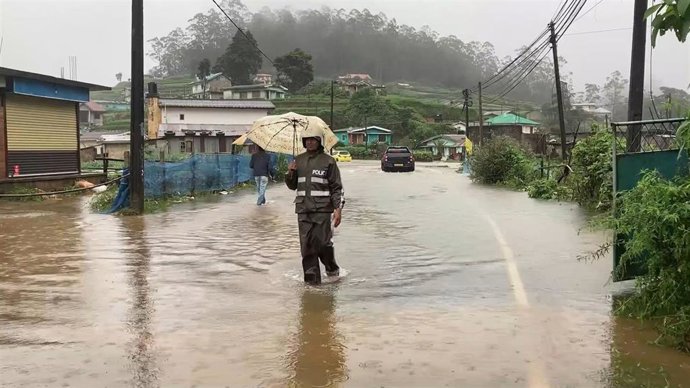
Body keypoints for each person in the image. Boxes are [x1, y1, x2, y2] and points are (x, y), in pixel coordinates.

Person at [285, 128, 345, 285]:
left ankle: (332, 268)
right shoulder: (298, 160)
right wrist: (290, 173)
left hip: (322, 210)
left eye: (313, 139)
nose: (310, 142)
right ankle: (312, 282)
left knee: (322, 244)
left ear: (319, 141)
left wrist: (338, 209)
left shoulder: (329, 161)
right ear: (304, 142)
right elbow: (292, 186)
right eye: (307, 140)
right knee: (307, 247)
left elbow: (337, 188)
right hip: (303, 210)